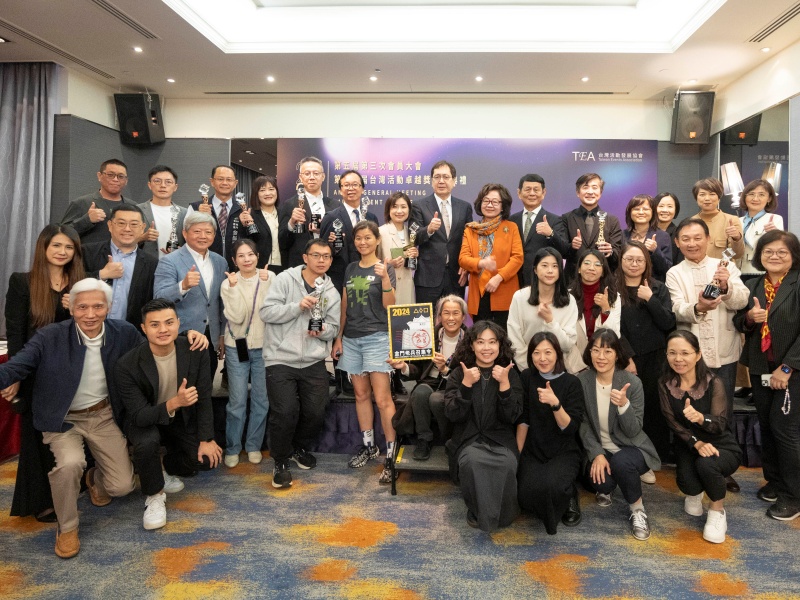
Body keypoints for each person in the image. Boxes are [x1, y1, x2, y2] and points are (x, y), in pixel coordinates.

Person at [0, 279, 139, 558]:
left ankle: (96, 478)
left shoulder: (124, 332)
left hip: (102, 415)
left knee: (122, 485)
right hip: (62, 418)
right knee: (69, 464)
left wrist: (189, 338)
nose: (90, 314)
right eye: (82, 307)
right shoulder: (49, 336)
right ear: (72, 308)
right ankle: (67, 527)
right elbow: (17, 365)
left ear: (108, 307)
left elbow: (151, 353)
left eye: (98, 306)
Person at [114, 299, 222, 531]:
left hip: (179, 418)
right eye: (154, 325)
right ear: (143, 328)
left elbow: (204, 397)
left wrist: (207, 439)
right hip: (145, 420)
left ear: (178, 323)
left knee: (206, 459)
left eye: (169, 322)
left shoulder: (195, 350)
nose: (163, 329)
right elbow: (140, 416)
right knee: (147, 443)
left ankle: (161, 466)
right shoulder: (127, 365)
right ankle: (154, 495)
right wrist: (174, 402)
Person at [4, 225, 85, 523]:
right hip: (34, 374)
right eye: (57, 246)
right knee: (36, 438)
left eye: (69, 247)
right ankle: (41, 501)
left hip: (72, 372)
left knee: (68, 435)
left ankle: (72, 490)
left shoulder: (80, 284)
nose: (63, 252)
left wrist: (73, 310)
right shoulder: (22, 282)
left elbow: (91, 330)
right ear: (44, 248)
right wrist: (15, 375)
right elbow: (15, 333)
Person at [666, 218, 748, 493]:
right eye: (685, 239)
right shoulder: (674, 272)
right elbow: (676, 308)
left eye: (697, 237)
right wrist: (698, 307)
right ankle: (692, 460)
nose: (692, 243)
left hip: (724, 351)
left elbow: (742, 300)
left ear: (707, 239)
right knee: (691, 409)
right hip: (690, 358)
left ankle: (722, 467)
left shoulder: (724, 266)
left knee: (722, 411)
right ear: (677, 242)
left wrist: (726, 288)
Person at [260, 239, 341, 488]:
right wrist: (297, 307)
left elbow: (334, 328)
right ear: (305, 257)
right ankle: (280, 460)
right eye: (316, 255)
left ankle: (297, 447)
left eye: (326, 256)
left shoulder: (331, 292)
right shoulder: (285, 279)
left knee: (316, 412)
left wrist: (323, 330)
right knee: (284, 412)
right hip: (280, 358)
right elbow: (266, 312)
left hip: (313, 360)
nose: (321, 260)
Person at [734, 230, 800, 521]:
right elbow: (739, 322)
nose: (774, 256)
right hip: (761, 366)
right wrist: (750, 318)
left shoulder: (797, 283)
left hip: (790, 371)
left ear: (793, 256)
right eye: (768, 251)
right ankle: (775, 482)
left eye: (782, 252)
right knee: (768, 427)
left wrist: (787, 368)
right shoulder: (753, 285)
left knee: (785, 431)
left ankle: (793, 495)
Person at [331, 221, 398, 483]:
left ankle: (391, 454)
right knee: (360, 395)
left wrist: (384, 278)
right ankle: (369, 447)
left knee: (382, 399)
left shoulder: (385, 267)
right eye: (359, 238)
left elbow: (390, 305)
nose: (363, 242)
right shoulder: (350, 268)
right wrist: (339, 337)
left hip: (377, 337)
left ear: (377, 240)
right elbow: (345, 304)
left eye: (368, 237)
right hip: (351, 339)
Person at [578, 330, 661, 541]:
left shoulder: (632, 383)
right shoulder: (583, 381)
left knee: (622, 463)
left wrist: (624, 405)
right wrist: (597, 454)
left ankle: (638, 509)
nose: (601, 357)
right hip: (602, 448)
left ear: (617, 354)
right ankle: (610, 484)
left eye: (608, 351)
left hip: (631, 447)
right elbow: (584, 423)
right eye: (596, 350)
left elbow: (634, 430)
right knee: (601, 483)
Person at [659, 331, 741, 543]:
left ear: (697, 355)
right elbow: (672, 422)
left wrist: (700, 418)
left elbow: (720, 424)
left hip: (721, 444)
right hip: (689, 444)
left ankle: (717, 511)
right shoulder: (665, 383)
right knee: (688, 485)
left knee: (707, 465)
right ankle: (696, 492)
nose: (678, 359)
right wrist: (696, 443)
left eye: (685, 353)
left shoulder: (714, 382)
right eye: (672, 353)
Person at [153, 211, 228, 444]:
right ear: (185, 233)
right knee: (181, 392)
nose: (203, 236)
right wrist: (183, 286)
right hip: (182, 338)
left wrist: (222, 334)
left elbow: (220, 302)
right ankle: (180, 445)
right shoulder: (170, 260)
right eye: (197, 231)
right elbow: (158, 297)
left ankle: (202, 440)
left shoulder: (220, 261)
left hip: (210, 338)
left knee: (204, 392)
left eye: (208, 232)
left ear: (214, 235)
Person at [444, 320, 522, 532]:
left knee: (507, 463)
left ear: (500, 345)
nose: (486, 348)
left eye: (492, 342)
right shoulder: (459, 373)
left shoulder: (510, 374)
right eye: (480, 342)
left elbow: (512, 417)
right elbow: (452, 414)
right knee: (471, 462)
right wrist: (466, 385)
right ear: (471, 345)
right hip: (468, 440)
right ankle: (476, 509)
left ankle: (504, 513)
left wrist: (505, 385)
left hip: (500, 440)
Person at [516, 332, 585, 534]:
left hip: (563, 449)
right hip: (534, 447)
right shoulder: (527, 377)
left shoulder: (572, 382)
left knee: (552, 487)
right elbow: (523, 420)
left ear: (557, 354)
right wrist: (518, 454)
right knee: (525, 492)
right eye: (536, 353)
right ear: (530, 355)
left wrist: (555, 404)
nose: (542, 358)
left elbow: (570, 428)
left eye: (548, 352)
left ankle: (570, 494)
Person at [388, 295, 467, 460]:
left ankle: (449, 438)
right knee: (420, 392)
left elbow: (468, 375)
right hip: (430, 381)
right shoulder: (427, 335)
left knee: (437, 399)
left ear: (463, 317)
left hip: (455, 385)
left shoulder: (470, 341)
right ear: (439, 316)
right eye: (446, 313)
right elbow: (417, 371)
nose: (451, 318)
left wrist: (445, 369)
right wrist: (404, 367)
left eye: (456, 313)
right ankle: (424, 439)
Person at [617, 241, 676, 462]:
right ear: (621, 261)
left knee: (654, 407)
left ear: (647, 262)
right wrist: (627, 357)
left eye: (639, 260)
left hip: (655, 358)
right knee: (626, 407)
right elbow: (611, 326)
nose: (634, 264)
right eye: (629, 259)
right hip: (623, 359)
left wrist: (651, 299)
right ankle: (629, 457)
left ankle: (656, 457)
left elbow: (668, 323)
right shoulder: (612, 287)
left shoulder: (658, 288)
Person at [220, 239, 271, 468]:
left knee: (261, 400)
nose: (247, 259)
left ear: (257, 256)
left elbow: (269, 312)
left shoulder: (270, 278)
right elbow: (238, 317)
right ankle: (232, 447)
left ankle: (253, 445)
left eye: (250, 254)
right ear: (234, 260)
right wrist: (233, 288)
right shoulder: (227, 283)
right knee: (237, 401)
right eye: (241, 256)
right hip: (236, 346)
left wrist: (266, 285)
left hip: (263, 347)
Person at [458, 183, 523, 330]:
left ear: (502, 206)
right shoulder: (471, 230)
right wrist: (481, 263)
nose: (489, 205)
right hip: (479, 293)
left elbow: (517, 258)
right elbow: (463, 259)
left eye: (495, 202)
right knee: (480, 335)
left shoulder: (511, 227)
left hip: (504, 289)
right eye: (486, 201)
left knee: (503, 336)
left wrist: (498, 277)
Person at [82, 204, 158, 328]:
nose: (127, 229)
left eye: (134, 224)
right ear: (110, 225)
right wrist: (101, 275)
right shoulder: (87, 252)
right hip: (90, 329)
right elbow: (70, 283)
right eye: (121, 223)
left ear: (142, 228)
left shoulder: (152, 264)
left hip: (131, 333)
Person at [410, 160, 474, 305]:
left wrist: (466, 266)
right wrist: (429, 230)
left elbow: (469, 240)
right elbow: (412, 237)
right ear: (431, 181)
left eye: (446, 177)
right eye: (437, 177)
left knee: (454, 315)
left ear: (454, 181)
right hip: (428, 277)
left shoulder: (464, 207)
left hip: (456, 276)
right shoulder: (419, 205)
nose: (441, 181)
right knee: (427, 318)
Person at [507, 247, 578, 370]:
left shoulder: (569, 301)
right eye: (544, 265)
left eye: (555, 266)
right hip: (527, 368)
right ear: (535, 269)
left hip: (559, 369)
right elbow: (514, 338)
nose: (550, 271)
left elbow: (567, 345)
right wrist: (527, 368)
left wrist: (550, 321)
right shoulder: (520, 297)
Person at [319, 170, 380, 292]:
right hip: (339, 278)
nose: (350, 188)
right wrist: (333, 245)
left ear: (362, 189)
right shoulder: (331, 217)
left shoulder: (371, 218)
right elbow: (322, 249)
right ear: (340, 190)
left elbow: (375, 249)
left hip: (368, 277)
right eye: (346, 185)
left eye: (355, 184)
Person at [555, 173, 623, 279]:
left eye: (594, 187)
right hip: (573, 279)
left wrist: (610, 252)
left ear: (600, 192)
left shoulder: (612, 220)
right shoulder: (566, 218)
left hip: (602, 279)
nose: (590, 192)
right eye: (585, 187)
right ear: (578, 192)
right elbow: (561, 252)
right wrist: (572, 246)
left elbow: (618, 255)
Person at [565, 249, 620, 374]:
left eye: (597, 264)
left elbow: (615, 335)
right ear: (579, 269)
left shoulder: (613, 296)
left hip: (603, 360)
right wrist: (579, 368)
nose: (591, 268)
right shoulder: (567, 297)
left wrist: (606, 309)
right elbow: (565, 338)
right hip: (574, 364)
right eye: (587, 263)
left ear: (603, 271)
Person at [509, 174, 569, 288]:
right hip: (514, 280)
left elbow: (565, 251)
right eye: (527, 189)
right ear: (519, 193)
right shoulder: (511, 220)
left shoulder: (555, 220)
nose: (532, 193)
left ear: (543, 193)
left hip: (542, 282)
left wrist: (551, 234)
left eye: (536, 190)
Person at [279, 156, 339, 269]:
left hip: (329, 266)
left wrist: (325, 231)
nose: (311, 177)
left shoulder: (336, 206)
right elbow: (282, 242)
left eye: (316, 173)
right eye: (307, 173)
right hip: (300, 266)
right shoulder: (290, 204)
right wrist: (291, 223)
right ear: (300, 177)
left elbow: (340, 241)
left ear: (323, 176)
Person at [187, 165, 251, 270]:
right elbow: (186, 236)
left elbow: (252, 240)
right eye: (220, 179)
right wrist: (198, 216)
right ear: (212, 182)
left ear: (235, 183)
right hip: (203, 265)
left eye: (229, 179)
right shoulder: (195, 208)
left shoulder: (244, 210)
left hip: (237, 268)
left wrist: (249, 225)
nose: (225, 183)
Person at [60, 159, 135, 244]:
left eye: (120, 176)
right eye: (110, 175)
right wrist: (87, 220)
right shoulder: (82, 203)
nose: (115, 179)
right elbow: (62, 234)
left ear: (126, 180)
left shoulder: (133, 206)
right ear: (99, 176)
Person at [137, 165, 187, 260]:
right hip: (144, 264)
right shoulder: (137, 210)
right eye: (157, 181)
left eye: (168, 182)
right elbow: (122, 242)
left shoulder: (184, 213)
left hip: (175, 264)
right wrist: (143, 237)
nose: (163, 185)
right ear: (149, 185)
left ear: (175, 187)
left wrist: (182, 250)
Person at [738, 179, 784, 281]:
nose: (755, 198)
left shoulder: (774, 219)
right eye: (751, 194)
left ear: (769, 198)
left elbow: (781, 247)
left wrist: (775, 234)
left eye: (761, 195)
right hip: (738, 272)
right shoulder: (737, 221)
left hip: (762, 271)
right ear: (745, 197)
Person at [690, 178, 744, 261]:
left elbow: (737, 255)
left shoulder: (731, 220)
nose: (707, 198)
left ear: (719, 198)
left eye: (712, 194)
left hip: (721, 268)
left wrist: (737, 238)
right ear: (696, 198)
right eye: (702, 194)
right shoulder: (690, 222)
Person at [622, 194, 673, 281]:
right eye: (636, 209)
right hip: (625, 283)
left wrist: (655, 251)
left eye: (645, 209)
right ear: (629, 212)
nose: (641, 212)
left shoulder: (663, 236)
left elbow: (667, 269)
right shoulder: (623, 235)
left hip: (652, 285)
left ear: (653, 212)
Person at [379, 192, 418, 305]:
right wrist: (389, 264)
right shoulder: (380, 232)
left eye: (403, 207)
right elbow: (373, 261)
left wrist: (415, 256)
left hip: (407, 287)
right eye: (395, 207)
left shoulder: (411, 233)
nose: (399, 211)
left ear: (409, 210)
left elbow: (412, 264)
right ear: (388, 210)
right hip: (388, 287)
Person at [248, 175, 284, 274]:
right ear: (256, 194)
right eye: (262, 190)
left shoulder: (285, 214)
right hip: (260, 268)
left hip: (284, 267)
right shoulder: (250, 215)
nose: (267, 193)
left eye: (271, 189)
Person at [654, 192, 683, 265]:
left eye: (670, 206)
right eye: (661, 206)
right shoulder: (646, 231)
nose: (665, 210)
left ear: (676, 210)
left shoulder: (680, 233)